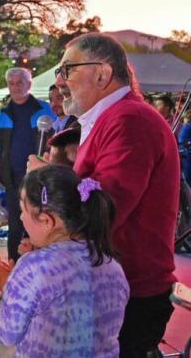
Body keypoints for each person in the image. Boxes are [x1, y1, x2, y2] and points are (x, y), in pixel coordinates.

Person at [53, 33, 180, 357]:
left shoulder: (129, 120)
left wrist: (48, 182)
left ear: (102, 73)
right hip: (116, 287)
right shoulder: (115, 118)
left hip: (128, 293)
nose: (59, 80)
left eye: (67, 69)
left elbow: (103, 210)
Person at [0, 166, 129, 357]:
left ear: (46, 221)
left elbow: (7, 333)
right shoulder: (111, 265)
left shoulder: (32, 268)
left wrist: (8, 289)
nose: (21, 217)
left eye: (23, 210)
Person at [0, 67, 54, 262]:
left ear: (29, 84)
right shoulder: (1, 114)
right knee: (15, 226)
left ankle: (39, 268)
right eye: (11, 83)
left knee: (41, 225)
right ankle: (13, 269)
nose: (15, 87)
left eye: (20, 82)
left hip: (40, 179)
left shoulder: (45, 110)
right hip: (12, 179)